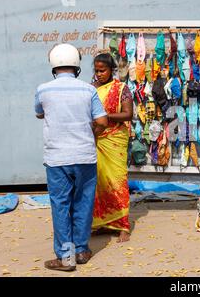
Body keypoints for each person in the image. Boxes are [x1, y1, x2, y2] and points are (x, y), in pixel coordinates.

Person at [35, 44, 108, 271]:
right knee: (84, 203)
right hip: (85, 156)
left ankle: (66, 257)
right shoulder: (88, 90)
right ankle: (82, 250)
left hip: (57, 158)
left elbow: (39, 112)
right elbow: (103, 121)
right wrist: (89, 135)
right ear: (76, 65)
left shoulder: (43, 90)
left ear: (54, 66)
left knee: (60, 204)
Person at [91, 53, 133, 242]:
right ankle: (102, 222)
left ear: (111, 70)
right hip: (96, 138)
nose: (99, 74)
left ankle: (123, 225)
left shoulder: (122, 89)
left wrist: (104, 116)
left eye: (103, 70)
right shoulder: (90, 89)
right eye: (97, 70)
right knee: (98, 182)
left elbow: (127, 114)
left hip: (114, 140)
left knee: (117, 180)